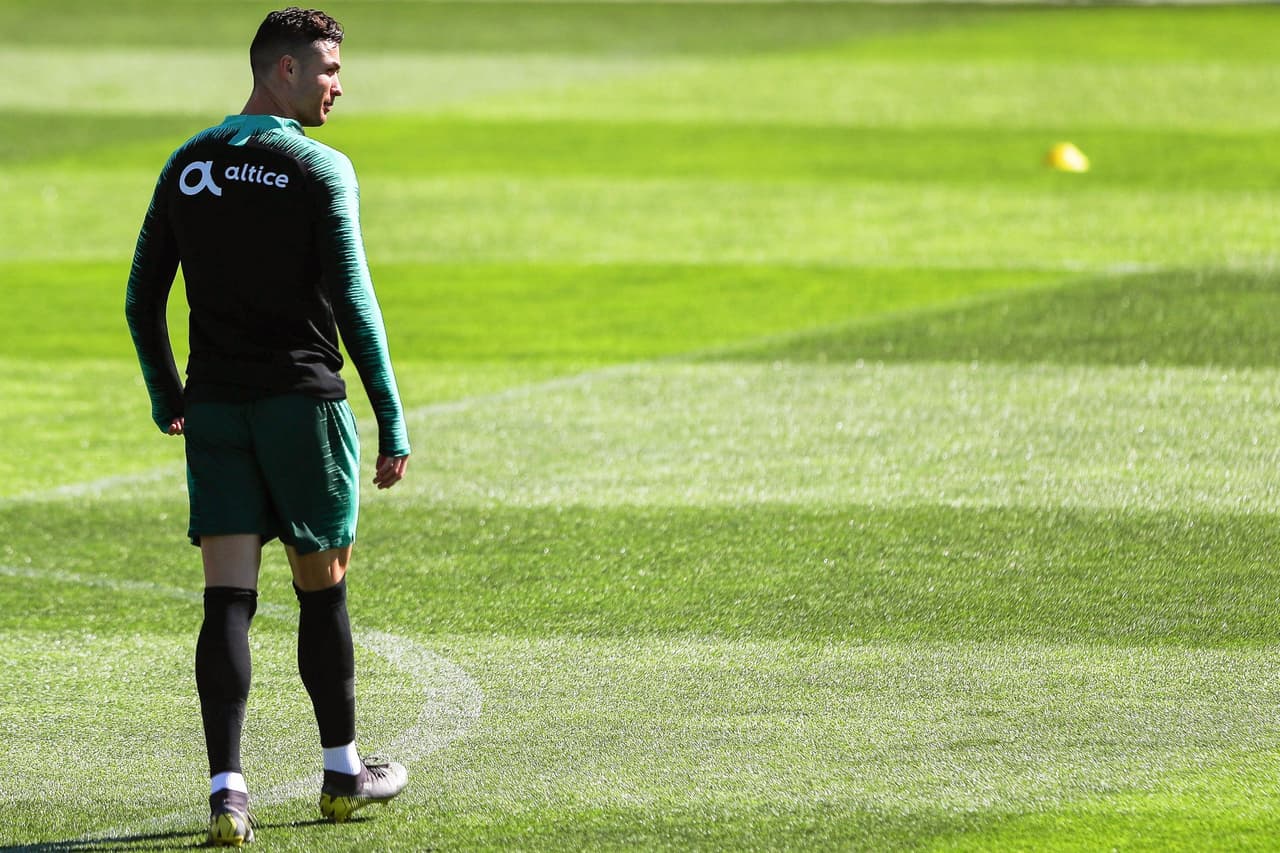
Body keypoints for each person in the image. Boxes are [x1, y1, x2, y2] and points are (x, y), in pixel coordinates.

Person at [125, 7, 411, 846]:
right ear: (280, 70)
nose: (338, 84)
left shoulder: (187, 165)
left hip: (215, 409)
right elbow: (355, 303)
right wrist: (390, 414)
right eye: (325, 68)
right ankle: (340, 772)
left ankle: (227, 796)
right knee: (322, 588)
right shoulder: (320, 168)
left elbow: (143, 297)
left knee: (227, 599)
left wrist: (166, 391)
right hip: (302, 406)